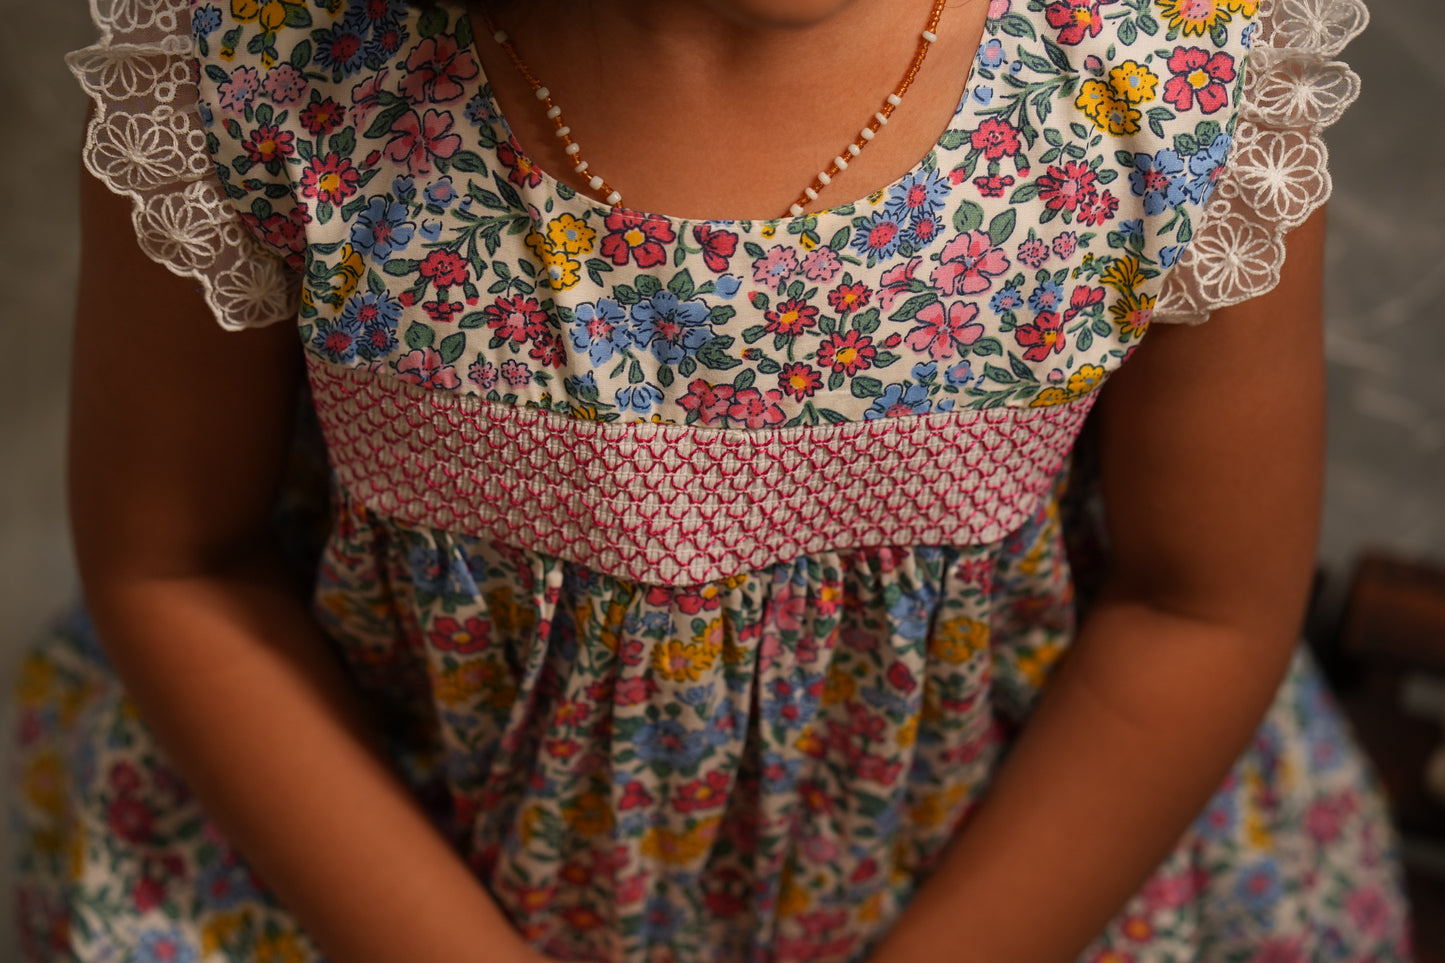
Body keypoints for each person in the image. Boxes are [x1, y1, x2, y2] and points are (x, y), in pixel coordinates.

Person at [12, 0, 1409, 960]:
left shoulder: (1169, 79)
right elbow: (176, 562)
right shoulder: (261, 68)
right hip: (376, 856)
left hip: (1013, 871)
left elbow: (1195, 611)